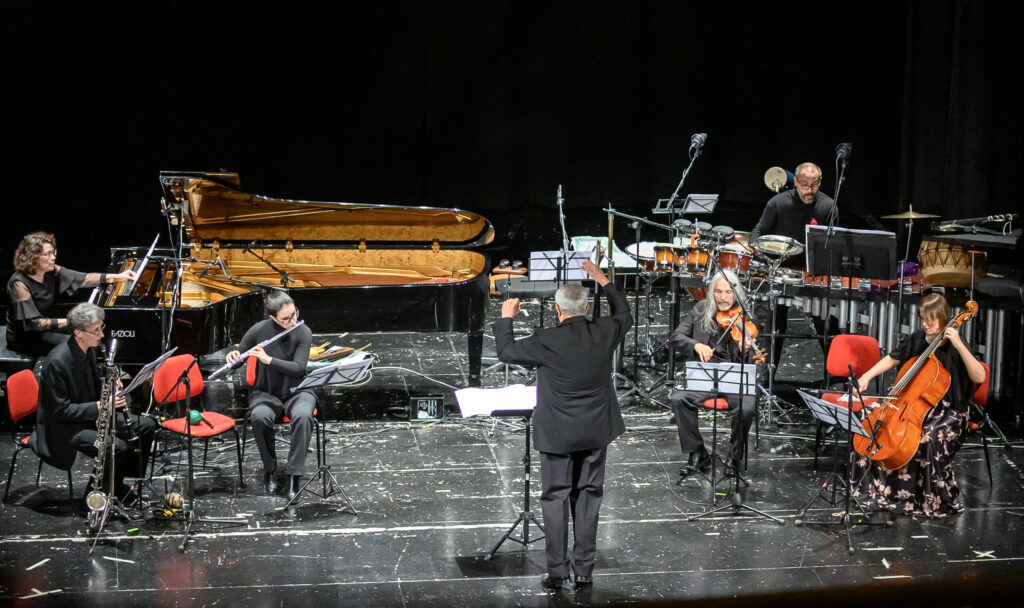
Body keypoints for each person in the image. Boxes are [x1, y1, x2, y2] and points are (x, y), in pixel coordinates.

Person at [493, 260, 631, 590]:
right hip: (596, 431)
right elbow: (624, 314)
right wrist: (603, 281)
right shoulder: (605, 332)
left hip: (557, 435)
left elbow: (507, 351)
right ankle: (583, 570)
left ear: (557, 309)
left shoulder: (546, 340)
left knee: (555, 498)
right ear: (585, 308)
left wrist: (506, 318)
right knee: (589, 496)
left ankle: (557, 571)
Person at [850, 293, 985, 518]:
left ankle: (927, 501)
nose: (925, 324)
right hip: (913, 405)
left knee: (928, 438)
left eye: (930, 319)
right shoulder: (918, 338)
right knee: (867, 422)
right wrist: (866, 376)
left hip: (950, 410)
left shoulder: (955, 344)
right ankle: (872, 489)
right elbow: (894, 357)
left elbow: (979, 376)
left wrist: (959, 343)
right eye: (922, 318)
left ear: (943, 318)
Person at [29, 303, 157, 506]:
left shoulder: (88, 349)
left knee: (146, 426)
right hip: (65, 428)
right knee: (114, 447)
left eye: (102, 328)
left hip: (89, 416)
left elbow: (92, 381)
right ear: (78, 332)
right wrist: (102, 404)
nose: (101, 334)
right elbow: (60, 411)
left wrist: (109, 379)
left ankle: (118, 484)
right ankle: (92, 498)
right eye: (96, 330)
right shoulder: (57, 363)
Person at [669, 270, 760, 479]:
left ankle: (734, 458)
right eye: (718, 292)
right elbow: (676, 337)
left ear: (736, 294)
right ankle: (698, 453)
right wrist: (696, 344)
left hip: (733, 378)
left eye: (728, 292)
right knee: (679, 399)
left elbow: (757, 360)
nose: (723, 298)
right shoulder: (700, 309)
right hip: (706, 376)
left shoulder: (746, 317)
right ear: (712, 294)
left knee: (746, 407)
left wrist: (746, 351)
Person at [748, 163, 838, 371]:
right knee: (774, 327)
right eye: (804, 185)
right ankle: (766, 375)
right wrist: (763, 257)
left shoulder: (828, 206)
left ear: (820, 183)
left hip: (813, 274)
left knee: (826, 326)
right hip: (781, 273)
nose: (809, 190)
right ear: (795, 182)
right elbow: (757, 232)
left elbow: (833, 245)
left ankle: (835, 376)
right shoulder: (778, 203)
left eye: (814, 185)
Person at [226, 291, 314, 501]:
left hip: (297, 391)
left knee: (303, 416)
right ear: (272, 317)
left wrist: (269, 360)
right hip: (266, 392)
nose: (292, 321)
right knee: (259, 417)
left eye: (294, 314)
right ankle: (270, 469)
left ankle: (294, 475)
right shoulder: (259, 330)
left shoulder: (303, 332)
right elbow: (239, 357)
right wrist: (233, 357)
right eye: (286, 318)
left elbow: (299, 368)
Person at [6, 232, 135, 358]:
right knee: (83, 343)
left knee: (89, 335)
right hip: (25, 337)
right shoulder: (19, 284)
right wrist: (72, 322)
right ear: (32, 257)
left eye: (53, 252)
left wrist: (117, 277)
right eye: (48, 254)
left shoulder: (50, 271)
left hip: (44, 328)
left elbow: (82, 279)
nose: (53, 257)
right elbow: (33, 324)